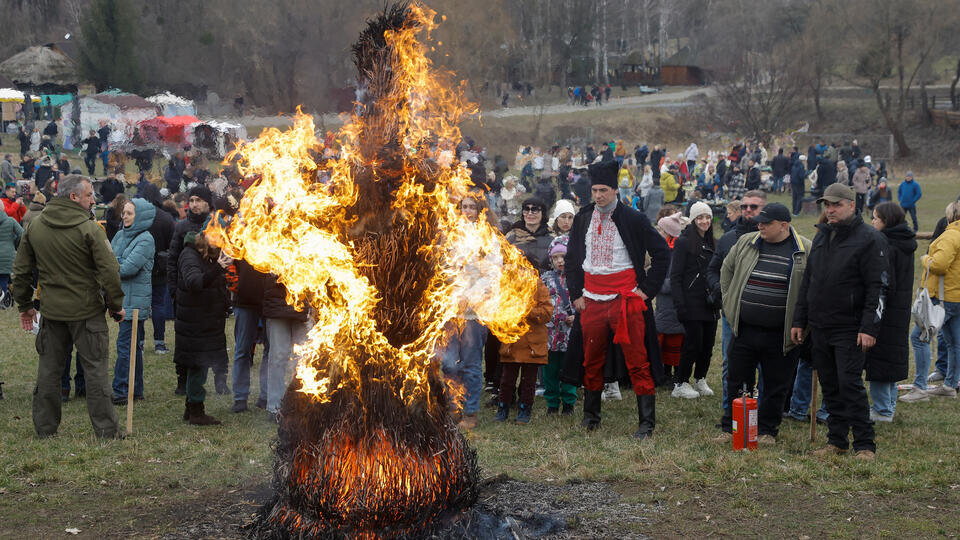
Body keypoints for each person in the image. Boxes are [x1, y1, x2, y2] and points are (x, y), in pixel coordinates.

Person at [12, 175, 123, 438]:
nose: (93, 199)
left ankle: (45, 429)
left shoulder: (35, 226)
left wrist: (25, 305)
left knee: (49, 371)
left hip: (51, 311)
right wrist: (115, 304)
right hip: (87, 312)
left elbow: (21, 271)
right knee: (95, 371)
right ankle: (106, 431)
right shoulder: (91, 228)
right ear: (74, 197)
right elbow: (109, 270)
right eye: (89, 195)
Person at [564, 159, 669, 439]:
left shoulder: (633, 218)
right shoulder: (583, 217)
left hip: (625, 300)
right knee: (591, 359)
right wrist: (576, 295)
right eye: (595, 190)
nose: (598, 196)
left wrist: (645, 291)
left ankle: (646, 423)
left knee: (638, 361)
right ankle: (591, 417)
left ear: (615, 190)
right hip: (591, 300)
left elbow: (662, 254)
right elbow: (573, 259)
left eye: (604, 190)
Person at [791, 183, 887, 460]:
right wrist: (800, 319)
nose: (830, 210)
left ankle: (865, 444)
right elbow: (809, 281)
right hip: (821, 325)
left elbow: (877, 287)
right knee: (830, 384)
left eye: (836, 205)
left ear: (852, 206)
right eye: (827, 205)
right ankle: (837, 440)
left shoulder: (869, 238)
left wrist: (869, 327)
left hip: (851, 326)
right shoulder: (822, 236)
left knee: (849, 384)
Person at [717, 203, 810, 444]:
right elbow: (726, 270)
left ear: (784, 225)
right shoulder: (748, 242)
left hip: (780, 333)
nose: (760, 226)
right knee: (737, 380)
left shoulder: (804, 249)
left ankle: (768, 430)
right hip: (745, 328)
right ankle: (731, 427)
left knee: (776, 384)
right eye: (759, 222)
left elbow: (812, 289)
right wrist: (730, 304)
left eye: (766, 223)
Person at [441, 195, 497, 428]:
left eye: (473, 207)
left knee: (472, 364)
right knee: (448, 364)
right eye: (464, 206)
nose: (468, 210)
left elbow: (493, 272)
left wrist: (472, 297)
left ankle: (470, 413)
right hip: (451, 310)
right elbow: (442, 268)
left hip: (475, 312)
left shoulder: (488, 237)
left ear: (480, 210)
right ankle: (453, 407)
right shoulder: (450, 234)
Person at [707, 190, 766, 414]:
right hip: (733, 312)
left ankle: (759, 410)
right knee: (730, 362)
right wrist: (722, 293)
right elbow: (713, 269)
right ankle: (730, 409)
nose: (748, 211)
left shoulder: (772, 238)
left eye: (754, 207)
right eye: (744, 207)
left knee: (763, 365)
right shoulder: (729, 238)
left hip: (764, 312)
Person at [167, 186, 226, 394]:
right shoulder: (182, 227)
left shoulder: (217, 224)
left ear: (207, 203)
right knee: (186, 341)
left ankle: (221, 380)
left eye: (198, 200)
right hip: (190, 293)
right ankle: (183, 381)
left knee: (216, 338)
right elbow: (173, 260)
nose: (194, 204)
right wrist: (174, 290)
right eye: (191, 200)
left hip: (213, 292)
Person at [864, 202, 915, 420]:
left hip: (885, 310)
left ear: (886, 221)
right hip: (898, 310)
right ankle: (889, 404)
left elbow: (884, 282)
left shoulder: (886, 245)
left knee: (881, 358)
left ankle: (882, 409)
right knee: (890, 358)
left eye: (875, 218)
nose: (872, 222)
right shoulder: (903, 242)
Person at [174, 227, 230, 426]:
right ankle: (196, 411)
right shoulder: (189, 255)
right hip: (195, 322)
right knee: (198, 364)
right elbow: (195, 282)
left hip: (205, 321)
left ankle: (192, 408)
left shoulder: (206, 255)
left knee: (200, 365)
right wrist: (218, 268)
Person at [669, 202, 718, 399]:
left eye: (707, 217)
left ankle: (700, 378)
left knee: (708, 344)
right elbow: (675, 276)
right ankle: (680, 382)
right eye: (700, 217)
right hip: (691, 302)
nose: (704, 221)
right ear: (693, 219)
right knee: (693, 343)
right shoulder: (683, 242)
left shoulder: (713, 242)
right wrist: (680, 304)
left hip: (710, 302)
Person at [110, 198, 156, 405]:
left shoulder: (146, 239)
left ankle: (121, 390)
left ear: (141, 216)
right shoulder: (120, 235)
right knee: (131, 347)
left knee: (126, 346)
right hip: (121, 299)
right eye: (124, 212)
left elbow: (127, 268)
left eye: (129, 213)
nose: (125, 216)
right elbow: (108, 259)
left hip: (135, 302)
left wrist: (113, 264)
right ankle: (134, 389)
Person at [917, 201, 960, 399]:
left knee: (918, 338)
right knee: (954, 342)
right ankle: (950, 385)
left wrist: (925, 259)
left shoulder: (951, 235)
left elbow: (940, 264)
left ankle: (919, 388)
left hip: (945, 298)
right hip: (956, 296)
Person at [495, 280, 552, 424]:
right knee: (507, 380)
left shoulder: (539, 287)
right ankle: (503, 409)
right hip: (512, 344)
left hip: (533, 345)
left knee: (529, 381)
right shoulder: (508, 283)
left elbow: (546, 313)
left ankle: (525, 410)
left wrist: (526, 310)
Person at [262, 273, 310, 422]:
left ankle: (302, 405)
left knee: (303, 359)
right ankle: (275, 407)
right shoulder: (269, 250)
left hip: (302, 308)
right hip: (277, 308)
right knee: (278, 356)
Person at [542, 244, 577, 415]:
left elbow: (585, 300)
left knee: (569, 368)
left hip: (569, 333)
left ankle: (569, 402)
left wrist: (576, 316)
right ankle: (552, 402)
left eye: (562, 256)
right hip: (550, 333)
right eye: (555, 258)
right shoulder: (545, 278)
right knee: (550, 370)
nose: (559, 261)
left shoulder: (577, 277)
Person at [231, 260, 270, 412]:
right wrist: (235, 285)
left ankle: (265, 396)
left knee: (270, 351)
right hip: (245, 301)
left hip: (269, 300)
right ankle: (240, 398)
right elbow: (229, 261)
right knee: (242, 350)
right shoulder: (242, 237)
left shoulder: (276, 237)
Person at [654, 210, 687, 383]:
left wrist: (656, 284)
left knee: (674, 342)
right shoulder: (663, 251)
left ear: (668, 234)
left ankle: (675, 374)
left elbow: (675, 281)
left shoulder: (675, 254)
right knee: (664, 341)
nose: (658, 233)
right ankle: (664, 373)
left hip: (672, 306)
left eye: (660, 230)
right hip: (663, 306)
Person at [505, 197, 552, 272]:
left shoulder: (552, 237)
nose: (530, 213)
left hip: (545, 281)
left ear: (542, 213)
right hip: (520, 281)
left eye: (534, 210)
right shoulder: (512, 236)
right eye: (526, 210)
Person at [0, 210, 22, 304]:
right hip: (7, 254)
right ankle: (3, 301)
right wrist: (14, 243)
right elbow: (22, 234)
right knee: (4, 278)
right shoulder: (11, 221)